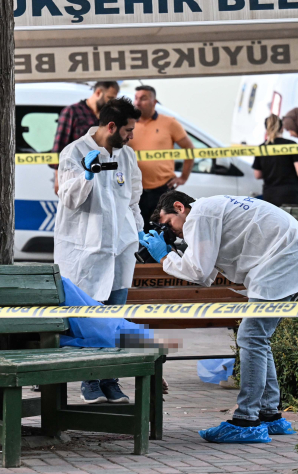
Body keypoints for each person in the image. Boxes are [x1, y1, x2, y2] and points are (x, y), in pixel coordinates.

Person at [139, 190, 298, 442]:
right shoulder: (208, 211)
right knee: (258, 338)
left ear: (179, 207)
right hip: (291, 261)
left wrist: (164, 257)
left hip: (282, 265)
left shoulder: (199, 215)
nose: (172, 230)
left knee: (251, 337)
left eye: (169, 223)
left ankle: (247, 421)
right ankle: (269, 415)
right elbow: (205, 271)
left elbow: (199, 273)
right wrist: (174, 251)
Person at [55, 97, 143, 404]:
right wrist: (87, 175)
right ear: (111, 126)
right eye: (128, 130)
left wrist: (138, 231)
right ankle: (90, 380)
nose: (131, 136)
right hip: (87, 253)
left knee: (115, 318)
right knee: (90, 320)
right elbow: (68, 198)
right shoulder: (74, 152)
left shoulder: (127, 155)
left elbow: (133, 199)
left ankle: (110, 379)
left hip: (120, 251)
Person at [128, 85, 195, 231]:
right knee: (135, 232)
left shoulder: (169, 123)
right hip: (134, 190)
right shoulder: (128, 124)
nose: (137, 102)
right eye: (136, 98)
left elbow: (189, 149)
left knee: (162, 231)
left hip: (161, 190)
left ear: (154, 102)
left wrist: (183, 177)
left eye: (143, 98)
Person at [50, 82, 120, 195]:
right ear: (98, 92)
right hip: (76, 175)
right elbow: (60, 146)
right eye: (110, 98)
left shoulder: (108, 116)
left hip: (103, 176)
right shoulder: (72, 112)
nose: (111, 103)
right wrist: (58, 177)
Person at [252, 115, 298, 207]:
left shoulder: (261, 148)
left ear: (266, 129)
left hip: (270, 196)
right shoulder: (291, 145)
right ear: (282, 128)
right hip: (291, 195)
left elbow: (257, 175)